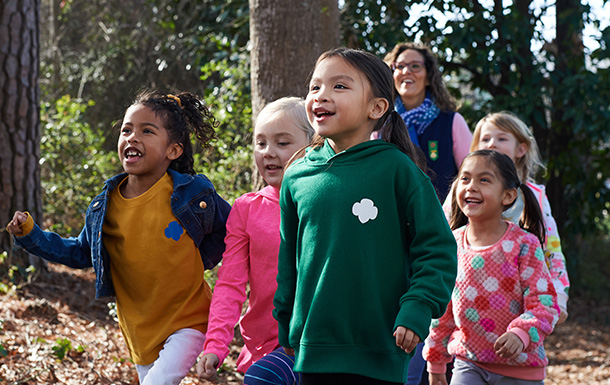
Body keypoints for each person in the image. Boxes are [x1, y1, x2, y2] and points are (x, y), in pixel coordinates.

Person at [6, 91, 231, 385]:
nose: (132, 137)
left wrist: (199, 259)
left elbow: (230, 230)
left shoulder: (192, 194)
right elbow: (79, 252)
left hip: (190, 320)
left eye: (147, 131)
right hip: (140, 330)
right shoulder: (106, 206)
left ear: (173, 150)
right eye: (127, 130)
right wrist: (30, 234)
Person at [272, 47, 458, 385]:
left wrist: (417, 307)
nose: (321, 96)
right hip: (312, 349)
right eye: (315, 87)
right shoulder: (296, 175)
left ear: (377, 107)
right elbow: (289, 259)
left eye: (339, 87)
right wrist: (286, 321)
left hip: (382, 347)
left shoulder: (397, 169)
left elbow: (437, 249)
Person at [196, 97, 314, 384]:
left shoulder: (329, 201)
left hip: (322, 342)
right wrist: (215, 345)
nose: (268, 153)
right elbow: (230, 284)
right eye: (260, 143)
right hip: (268, 346)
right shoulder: (246, 208)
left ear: (313, 144)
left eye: (282, 143)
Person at [424, 150, 559, 385]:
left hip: (521, 370)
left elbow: (544, 303)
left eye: (484, 180)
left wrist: (521, 333)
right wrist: (436, 360)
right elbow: (442, 309)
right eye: (464, 179)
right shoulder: (451, 244)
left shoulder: (524, 244)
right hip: (468, 364)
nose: (471, 186)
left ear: (507, 196)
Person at [443, 111, 569, 323]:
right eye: (485, 138)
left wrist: (559, 296)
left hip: (521, 305)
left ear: (521, 149)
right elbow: (442, 234)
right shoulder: (463, 191)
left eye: (501, 138)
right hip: (468, 301)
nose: (491, 143)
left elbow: (552, 250)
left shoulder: (534, 196)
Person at [379, 42, 472, 201]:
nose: (406, 71)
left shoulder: (452, 121)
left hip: (443, 219)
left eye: (415, 66)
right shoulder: (380, 124)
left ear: (428, 77)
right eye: (400, 66)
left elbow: (471, 175)